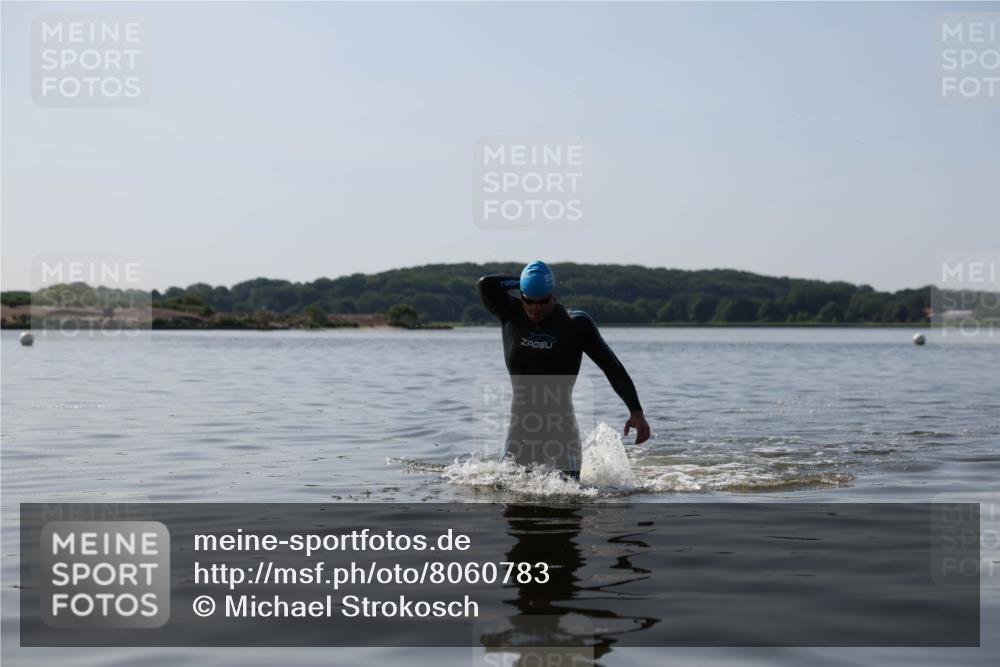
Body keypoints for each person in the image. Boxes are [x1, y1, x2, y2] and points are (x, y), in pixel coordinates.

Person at [477, 261, 650, 479]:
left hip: (562, 434)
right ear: (521, 295)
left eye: (543, 301)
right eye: (529, 301)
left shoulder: (575, 323)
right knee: (507, 497)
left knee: (567, 502)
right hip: (519, 432)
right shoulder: (510, 313)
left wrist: (636, 411)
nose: (536, 308)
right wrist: (526, 279)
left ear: (552, 294)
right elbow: (486, 284)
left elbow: (611, 367)